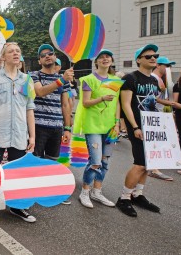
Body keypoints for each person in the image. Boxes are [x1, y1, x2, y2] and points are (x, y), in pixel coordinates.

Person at [0, 42, 36, 222]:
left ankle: (17, 206)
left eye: (18, 51)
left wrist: (32, 135)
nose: (15, 53)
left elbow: (29, 108)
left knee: (17, 171)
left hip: (20, 134)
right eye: (11, 51)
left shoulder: (27, 80)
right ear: (3, 57)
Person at [116, 44, 169, 217]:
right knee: (139, 163)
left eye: (155, 56)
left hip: (152, 126)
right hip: (138, 126)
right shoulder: (131, 78)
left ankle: (138, 194)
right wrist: (135, 127)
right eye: (148, 56)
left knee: (148, 164)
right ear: (139, 60)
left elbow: (154, 102)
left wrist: (176, 108)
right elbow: (125, 104)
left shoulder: (154, 81)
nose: (153, 58)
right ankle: (124, 198)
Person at [73, 49, 120, 208]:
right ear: (97, 62)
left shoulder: (116, 80)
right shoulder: (89, 79)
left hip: (110, 126)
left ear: (111, 61)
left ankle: (97, 191)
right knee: (95, 161)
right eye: (102, 57)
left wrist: (118, 123)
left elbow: (117, 104)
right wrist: (101, 98)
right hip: (93, 125)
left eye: (108, 56)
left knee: (105, 161)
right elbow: (85, 102)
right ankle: (85, 191)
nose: (105, 59)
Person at [31, 44, 74, 162]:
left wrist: (67, 128)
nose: (47, 56)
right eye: (43, 55)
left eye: (50, 53)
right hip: (38, 126)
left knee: (52, 163)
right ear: (39, 61)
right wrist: (61, 80)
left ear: (55, 57)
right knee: (35, 162)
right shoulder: (34, 75)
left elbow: (65, 105)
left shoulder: (62, 78)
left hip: (56, 127)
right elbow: (40, 91)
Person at [147, 56, 177, 181]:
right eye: (166, 65)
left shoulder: (162, 79)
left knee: (157, 142)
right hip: (152, 114)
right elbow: (151, 98)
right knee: (154, 142)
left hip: (159, 113)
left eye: (169, 66)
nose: (168, 68)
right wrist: (168, 103)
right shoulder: (154, 78)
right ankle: (153, 169)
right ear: (158, 65)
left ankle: (153, 168)